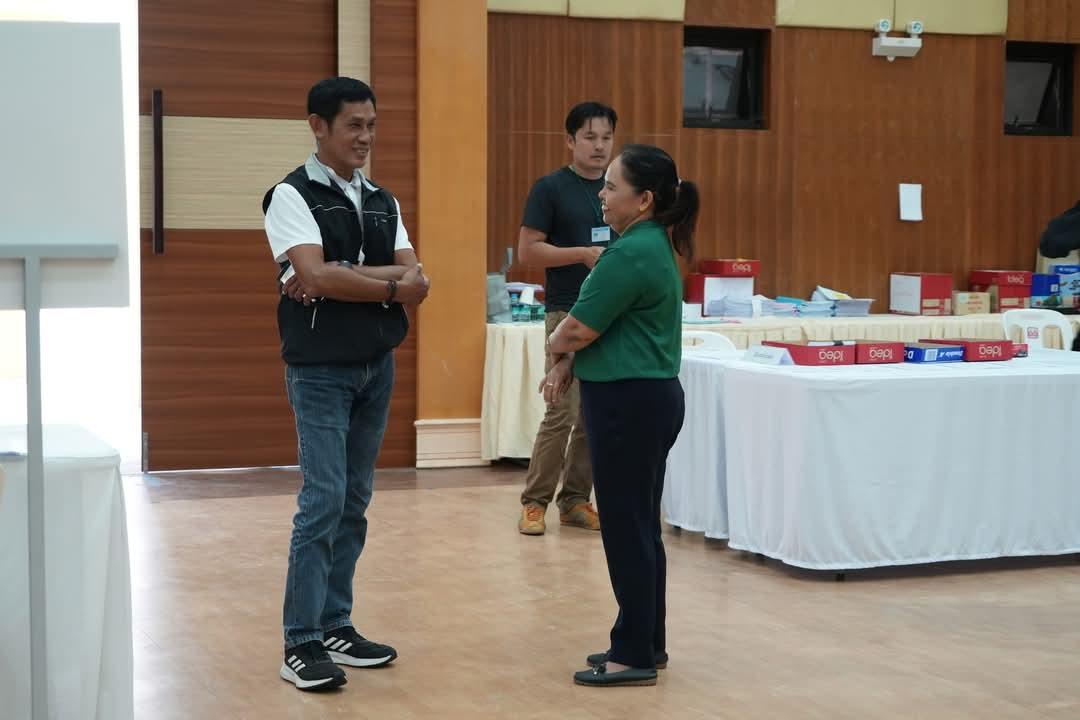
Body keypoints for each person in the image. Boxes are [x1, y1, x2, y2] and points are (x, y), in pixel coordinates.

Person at [262, 76, 430, 691]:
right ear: (318, 126)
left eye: (371, 126)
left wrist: (345, 273)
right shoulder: (290, 195)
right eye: (354, 125)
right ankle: (301, 640)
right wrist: (380, 284)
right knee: (324, 499)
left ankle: (336, 624)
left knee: (354, 500)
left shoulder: (383, 199)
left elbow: (418, 278)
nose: (365, 137)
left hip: (376, 365)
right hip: (319, 370)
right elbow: (314, 275)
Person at [542, 144, 698, 687]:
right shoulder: (649, 244)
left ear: (644, 199)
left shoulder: (631, 252)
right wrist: (570, 357)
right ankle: (646, 643)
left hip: (628, 404)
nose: (602, 196)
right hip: (646, 400)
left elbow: (576, 328)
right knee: (640, 528)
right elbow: (600, 328)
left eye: (611, 187)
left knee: (628, 532)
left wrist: (558, 352)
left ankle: (632, 654)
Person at [516, 101, 618, 535]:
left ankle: (575, 500)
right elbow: (528, 251)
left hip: (610, 313)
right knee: (562, 410)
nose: (599, 146)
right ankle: (534, 502)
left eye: (607, 137)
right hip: (567, 310)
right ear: (570, 141)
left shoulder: (620, 189)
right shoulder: (551, 188)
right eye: (590, 137)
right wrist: (581, 254)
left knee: (596, 414)